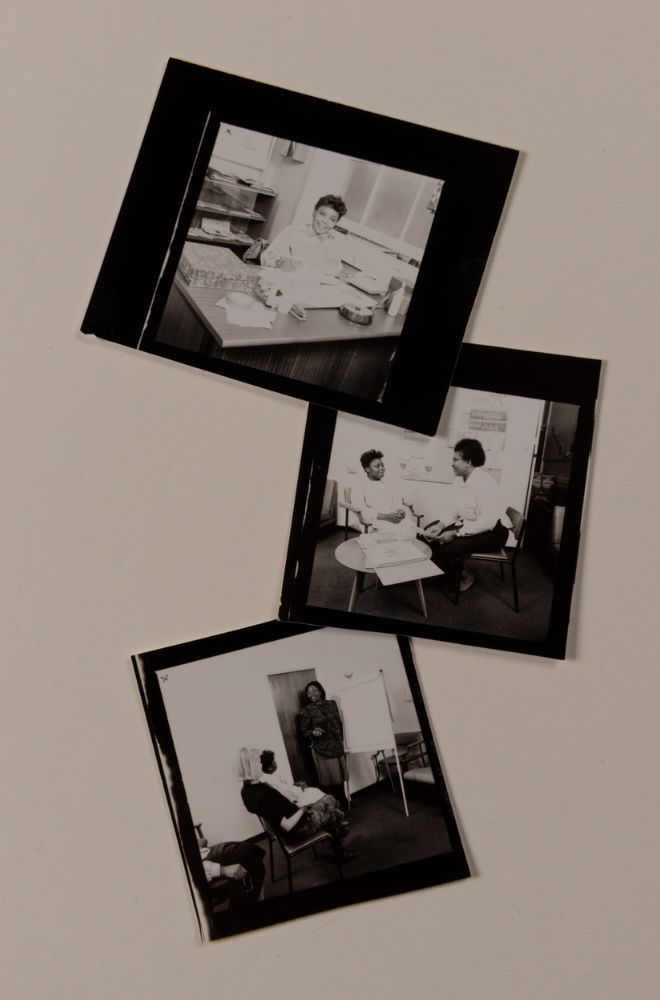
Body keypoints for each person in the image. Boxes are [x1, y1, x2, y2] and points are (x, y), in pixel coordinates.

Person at [237, 748, 359, 864]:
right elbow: (287, 826)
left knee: (327, 806)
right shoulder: (265, 794)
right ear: (252, 766)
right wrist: (302, 810)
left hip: (287, 828)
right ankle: (340, 850)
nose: (261, 764)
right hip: (297, 831)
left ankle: (335, 830)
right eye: (258, 761)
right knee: (330, 809)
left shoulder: (247, 790)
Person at [424, 438, 511, 592]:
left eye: (455, 460)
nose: (452, 464)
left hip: (493, 533)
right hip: (471, 525)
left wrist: (456, 533)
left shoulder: (485, 483)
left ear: (468, 462)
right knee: (430, 530)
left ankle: (466, 575)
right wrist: (441, 525)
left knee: (451, 545)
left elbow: (487, 521)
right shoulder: (460, 481)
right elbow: (455, 510)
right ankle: (439, 572)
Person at [260, 194, 347, 277]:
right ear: (314, 212)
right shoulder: (293, 231)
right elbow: (267, 255)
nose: (325, 221)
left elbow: (337, 268)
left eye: (332, 219)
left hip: (310, 283)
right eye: (322, 214)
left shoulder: (332, 242)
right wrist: (280, 262)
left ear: (335, 223)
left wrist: (309, 267)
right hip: (284, 278)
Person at [299, 682, 351, 809]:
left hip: (337, 746)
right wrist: (313, 732)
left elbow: (339, 722)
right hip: (323, 749)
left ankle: (344, 801)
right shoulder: (307, 710)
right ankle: (335, 805)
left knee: (340, 777)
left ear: (320, 691)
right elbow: (304, 731)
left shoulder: (332, 704)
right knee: (331, 779)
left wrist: (345, 742)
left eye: (314, 691)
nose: (311, 694)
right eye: (309, 693)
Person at [351, 450, 415, 536]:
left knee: (410, 527)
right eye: (377, 466)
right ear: (367, 469)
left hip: (391, 518)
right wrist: (386, 517)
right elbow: (361, 510)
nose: (382, 468)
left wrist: (399, 510)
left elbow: (396, 500)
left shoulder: (387, 482)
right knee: (396, 533)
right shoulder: (359, 485)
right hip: (374, 520)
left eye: (382, 465)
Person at [198, 836, 265, 907]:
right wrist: (222, 870)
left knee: (252, 857)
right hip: (202, 865)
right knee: (252, 853)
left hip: (203, 852)